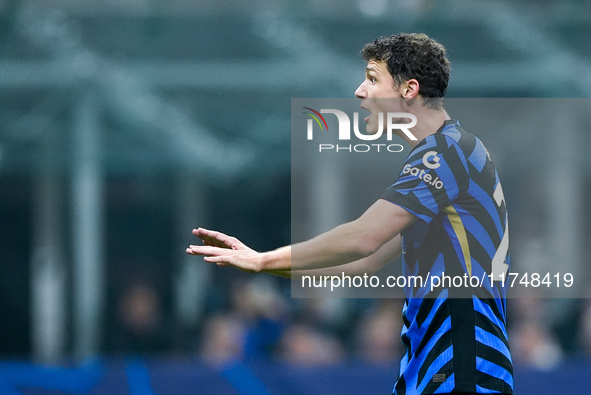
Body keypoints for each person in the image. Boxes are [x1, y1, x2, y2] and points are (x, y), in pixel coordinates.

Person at [187, 33, 513, 395]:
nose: (360, 91)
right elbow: (365, 262)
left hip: (460, 371)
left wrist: (263, 261)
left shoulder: (445, 154)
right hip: (441, 373)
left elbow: (363, 238)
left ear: (409, 89)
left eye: (373, 79)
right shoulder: (458, 151)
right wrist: (263, 263)